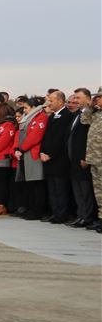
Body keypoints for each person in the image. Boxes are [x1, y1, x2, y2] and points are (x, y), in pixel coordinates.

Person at [40, 91, 73, 223]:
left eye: (52, 101)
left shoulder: (66, 116)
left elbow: (61, 139)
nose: (49, 103)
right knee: (52, 188)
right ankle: (55, 212)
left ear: (60, 101)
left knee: (60, 188)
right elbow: (46, 137)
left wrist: (50, 154)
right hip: (47, 158)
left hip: (59, 159)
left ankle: (62, 214)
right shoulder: (52, 116)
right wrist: (42, 151)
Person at [13, 97, 47, 220]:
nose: (25, 111)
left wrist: (22, 148)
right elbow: (19, 134)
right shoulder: (28, 118)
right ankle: (29, 208)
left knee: (36, 183)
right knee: (28, 184)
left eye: (26, 108)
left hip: (32, 154)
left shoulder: (41, 117)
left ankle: (37, 210)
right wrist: (17, 148)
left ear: (34, 107)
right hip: (24, 155)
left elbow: (35, 136)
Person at [67, 89, 95, 228]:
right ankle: (81, 215)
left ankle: (87, 216)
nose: (76, 100)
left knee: (85, 190)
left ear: (88, 99)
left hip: (83, 158)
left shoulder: (90, 115)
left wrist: (85, 156)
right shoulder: (78, 115)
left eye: (78, 98)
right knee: (78, 190)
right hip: (74, 158)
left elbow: (89, 139)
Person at [81, 87, 102, 232]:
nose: (97, 99)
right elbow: (84, 120)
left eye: (99, 97)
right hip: (94, 158)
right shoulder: (96, 113)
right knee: (99, 192)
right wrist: (90, 106)